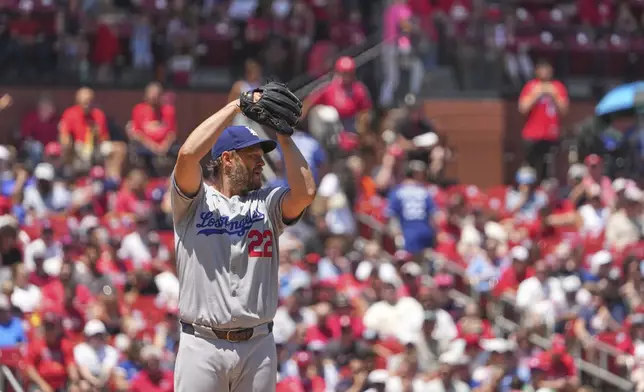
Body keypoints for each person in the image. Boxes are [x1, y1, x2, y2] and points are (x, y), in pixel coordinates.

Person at [171, 88, 315, 391]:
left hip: (258, 343)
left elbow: (305, 194)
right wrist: (235, 105)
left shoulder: (267, 202)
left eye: (261, 156)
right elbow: (187, 154)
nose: (260, 163)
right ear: (227, 159)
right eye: (251, 156)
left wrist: (285, 137)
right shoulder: (195, 202)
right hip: (202, 343)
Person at [518, 60, 569, 182]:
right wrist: (537, 94)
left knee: (549, 169)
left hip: (551, 135)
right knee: (531, 167)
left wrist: (553, 95)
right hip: (533, 134)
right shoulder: (531, 86)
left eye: (547, 69)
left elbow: (564, 110)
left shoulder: (557, 87)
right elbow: (522, 108)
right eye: (542, 69)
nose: (545, 72)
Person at [128, 82, 178, 175]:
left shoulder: (168, 111)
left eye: (157, 94)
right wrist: (154, 147)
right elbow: (137, 133)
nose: (154, 97)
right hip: (145, 145)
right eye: (152, 94)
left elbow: (172, 134)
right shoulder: (138, 109)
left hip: (165, 146)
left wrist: (164, 146)